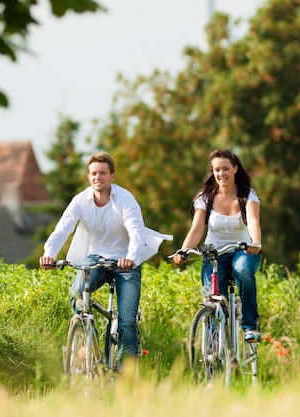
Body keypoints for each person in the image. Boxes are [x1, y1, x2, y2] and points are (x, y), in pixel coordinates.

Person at [40, 151, 171, 368]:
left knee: (127, 322)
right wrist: (49, 254)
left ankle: (125, 375)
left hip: (126, 260)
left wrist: (130, 257)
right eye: (93, 173)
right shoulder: (80, 201)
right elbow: (62, 230)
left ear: (112, 176)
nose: (97, 178)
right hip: (96, 257)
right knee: (76, 292)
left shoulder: (125, 199)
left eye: (102, 173)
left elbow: (136, 232)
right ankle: (85, 338)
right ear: (88, 176)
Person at [173, 149, 263, 342]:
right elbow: (197, 229)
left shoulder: (248, 195)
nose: (221, 174)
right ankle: (214, 353)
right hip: (214, 253)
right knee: (214, 301)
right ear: (212, 171)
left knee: (242, 270)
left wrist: (255, 243)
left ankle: (250, 327)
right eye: (217, 170)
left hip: (243, 250)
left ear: (235, 169)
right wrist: (184, 250)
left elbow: (254, 222)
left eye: (225, 169)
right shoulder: (205, 196)